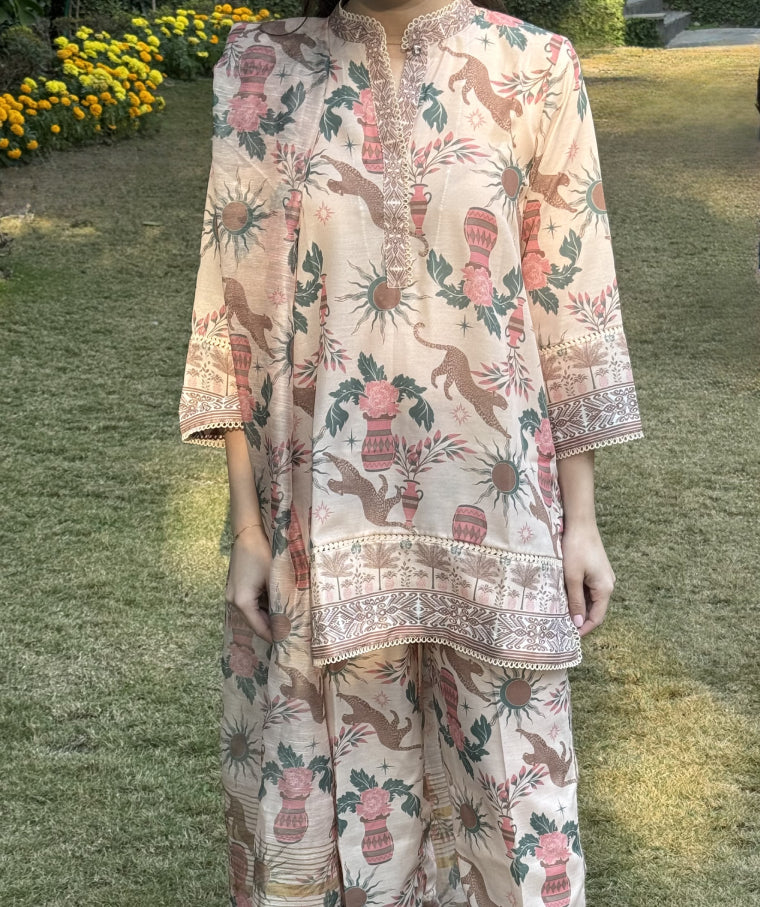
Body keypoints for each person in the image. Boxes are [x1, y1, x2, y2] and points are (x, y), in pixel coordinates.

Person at [179, 0, 643, 903]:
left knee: (516, 804)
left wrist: (581, 521)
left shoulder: (536, 67)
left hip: (499, 526)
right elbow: (232, 307)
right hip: (320, 525)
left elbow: (569, 297)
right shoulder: (262, 65)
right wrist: (247, 531)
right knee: (338, 813)